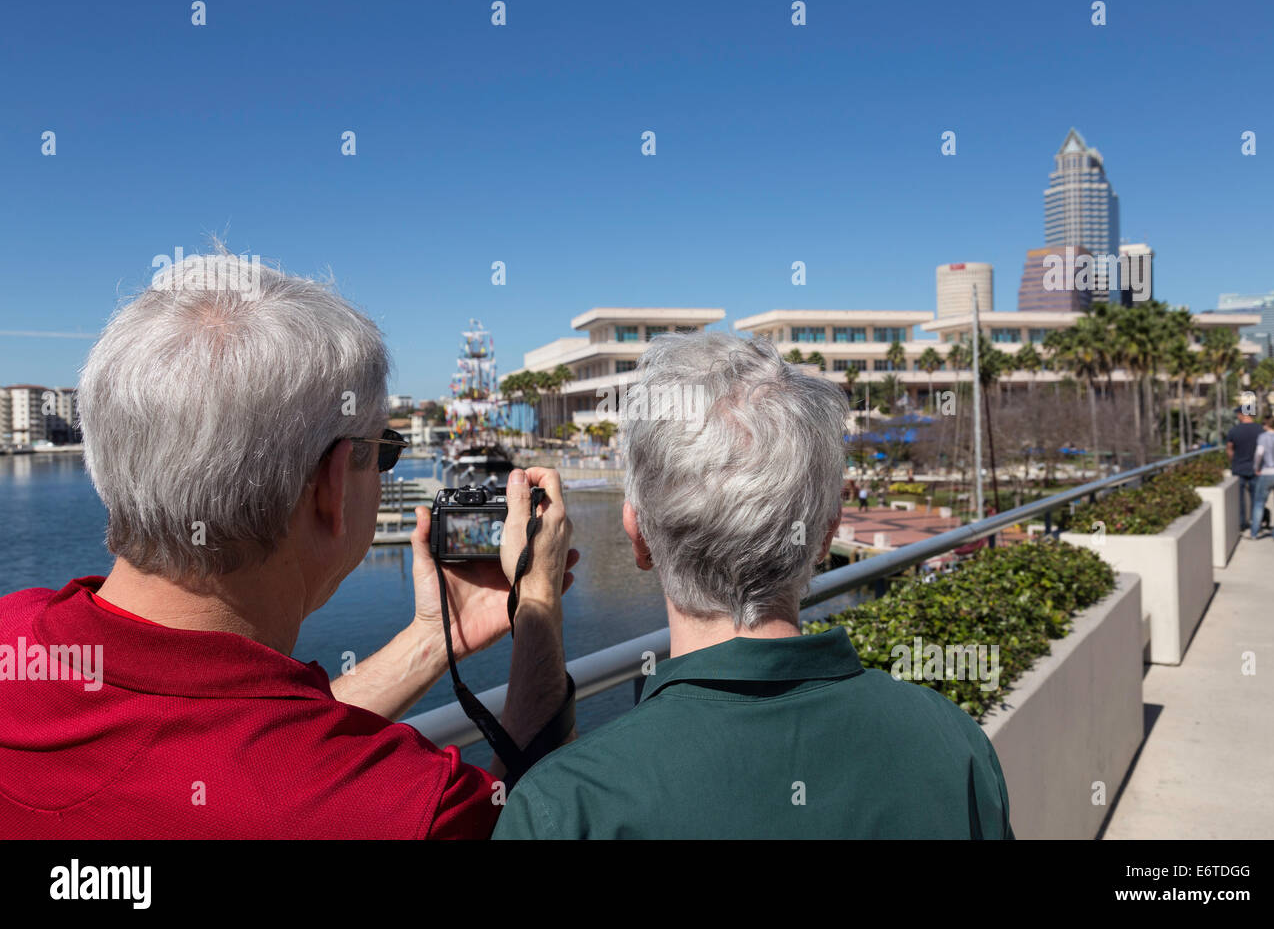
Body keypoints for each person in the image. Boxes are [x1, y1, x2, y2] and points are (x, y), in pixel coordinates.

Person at [0, 251, 577, 838]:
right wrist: (537, 611)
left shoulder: (12, 638)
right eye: (384, 451)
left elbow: (252, 739)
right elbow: (539, 825)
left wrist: (434, 640)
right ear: (331, 487)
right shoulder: (406, 811)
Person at [494, 332, 1013, 839]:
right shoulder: (953, 744)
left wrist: (533, 600)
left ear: (638, 535)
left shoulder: (566, 807)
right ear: (827, 532)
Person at [1226, 407, 1265, 533]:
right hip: (1256, 469)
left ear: (1242, 415)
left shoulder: (1234, 430)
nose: (1237, 416)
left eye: (1238, 414)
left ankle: (1242, 524)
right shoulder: (1260, 430)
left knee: (1239, 499)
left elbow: (1229, 449)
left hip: (1238, 468)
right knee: (1257, 498)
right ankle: (1256, 525)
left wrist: (1233, 461)